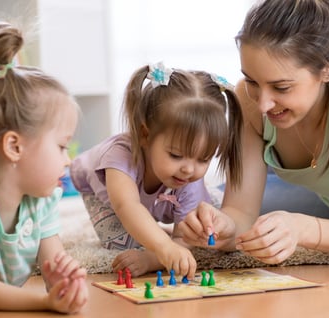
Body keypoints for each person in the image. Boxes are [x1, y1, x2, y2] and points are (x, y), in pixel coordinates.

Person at [179, 0, 329, 265]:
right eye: (253, 81)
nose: (262, 104)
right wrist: (225, 227)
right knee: (219, 209)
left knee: (280, 220)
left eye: (281, 88)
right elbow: (241, 213)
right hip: (323, 200)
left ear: (328, 67)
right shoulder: (247, 99)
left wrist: (302, 229)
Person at [70, 62, 243, 278]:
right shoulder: (119, 156)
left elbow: (183, 239)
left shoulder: (187, 177)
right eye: (176, 155)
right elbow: (127, 206)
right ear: (145, 135)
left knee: (203, 226)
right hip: (104, 192)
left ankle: (157, 228)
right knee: (122, 243)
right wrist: (163, 246)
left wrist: (153, 258)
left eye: (203, 159)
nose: (189, 169)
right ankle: (154, 231)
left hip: (161, 196)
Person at [0, 22, 88, 313]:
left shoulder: (42, 201)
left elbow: (52, 266)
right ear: (15, 147)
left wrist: (63, 282)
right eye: (61, 146)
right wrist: (42, 303)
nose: (68, 159)